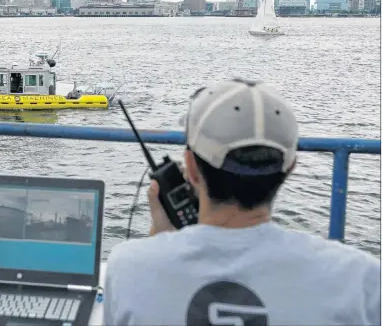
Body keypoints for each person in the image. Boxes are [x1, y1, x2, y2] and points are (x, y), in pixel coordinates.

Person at [103, 78, 380, 326]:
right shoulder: (359, 279)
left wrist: (160, 237)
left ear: (191, 168)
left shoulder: (128, 269)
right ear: (291, 166)